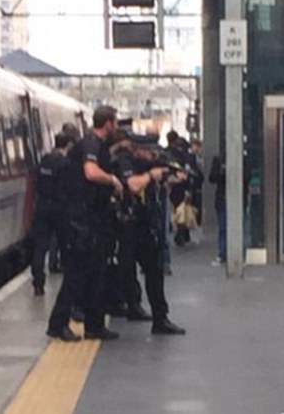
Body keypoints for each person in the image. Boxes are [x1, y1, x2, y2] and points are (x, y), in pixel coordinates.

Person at [47, 106, 123, 342]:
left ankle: (94, 325)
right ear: (108, 123)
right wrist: (112, 180)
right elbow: (90, 173)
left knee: (95, 273)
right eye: (116, 122)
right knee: (77, 274)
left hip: (93, 219)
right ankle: (58, 324)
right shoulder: (90, 144)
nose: (117, 127)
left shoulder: (96, 146)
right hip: (81, 220)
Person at [114, 140, 186, 335]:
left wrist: (167, 174)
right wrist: (150, 175)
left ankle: (160, 317)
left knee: (154, 272)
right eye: (150, 152)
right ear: (139, 150)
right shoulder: (124, 161)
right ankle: (122, 306)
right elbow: (133, 186)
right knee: (122, 271)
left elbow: (179, 177)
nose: (153, 156)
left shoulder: (149, 165)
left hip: (146, 226)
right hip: (127, 225)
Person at [30, 133, 75, 296]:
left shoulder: (44, 161)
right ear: (68, 145)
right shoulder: (65, 163)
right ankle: (69, 282)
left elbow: (36, 182)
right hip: (60, 209)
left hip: (42, 207)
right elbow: (69, 187)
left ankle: (38, 283)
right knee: (65, 245)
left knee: (40, 246)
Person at [209, 155, 226, 266]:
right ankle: (222, 254)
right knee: (223, 228)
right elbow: (211, 178)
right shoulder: (218, 160)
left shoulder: (243, 158)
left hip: (237, 198)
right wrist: (222, 173)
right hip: (222, 198)